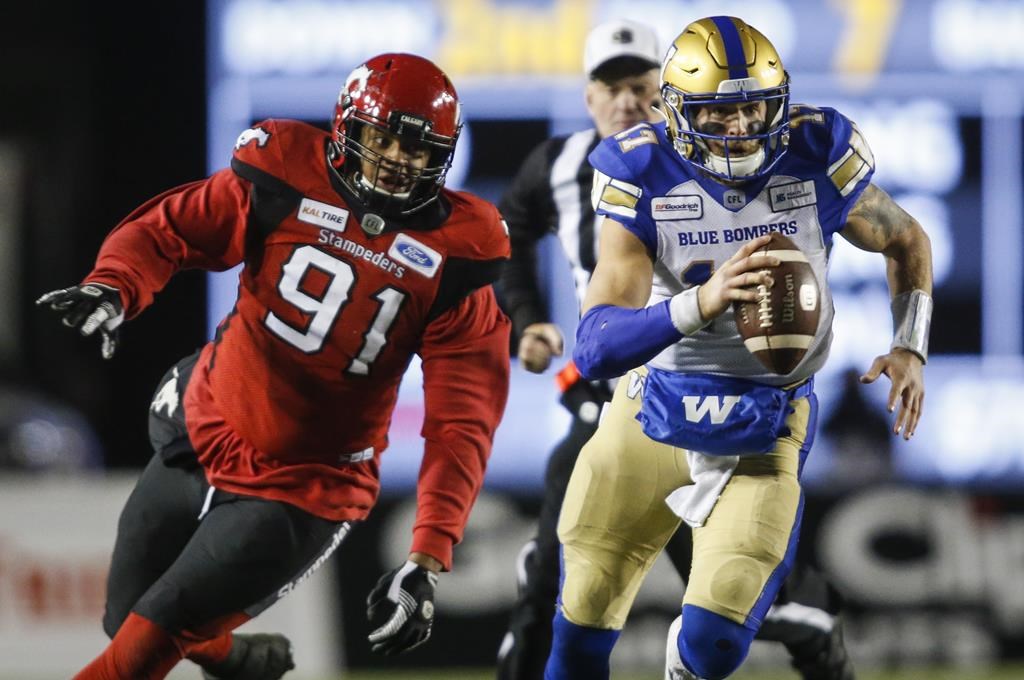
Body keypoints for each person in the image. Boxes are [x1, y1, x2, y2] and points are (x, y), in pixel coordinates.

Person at [36, 53, 511, 680]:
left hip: (303, 485)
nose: (399, 160)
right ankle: (239, 661)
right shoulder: (283, 175)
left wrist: (428, 554)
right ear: (348, 127)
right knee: (124, 616)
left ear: (443, 158)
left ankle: (217, 649)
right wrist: (113, 287)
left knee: (143, 646)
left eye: (419, 150)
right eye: (385, 137)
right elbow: (169, 230)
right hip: (208, 419)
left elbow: (462, 422)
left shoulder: (457, 258)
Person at [544, 15, 931, 680]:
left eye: (755, 106)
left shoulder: (817, 153)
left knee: (719, 639)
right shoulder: (641, 169)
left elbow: (905, 238)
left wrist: (910, 346)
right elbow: (598, 344)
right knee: (583, 611)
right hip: (653, 407)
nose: (742, 126)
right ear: (676, 111)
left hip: (768, 413)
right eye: (718, 113)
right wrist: (704, 300)